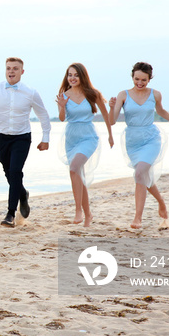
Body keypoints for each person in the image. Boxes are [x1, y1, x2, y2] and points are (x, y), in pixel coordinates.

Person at [109, 62, 169, 229]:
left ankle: (137, 218)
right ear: (132, 77)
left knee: (139, 173)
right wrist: (111, 107)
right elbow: (112, 120)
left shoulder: (155, 95)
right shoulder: (123, 95)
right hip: (132, 140)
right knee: (143, 175)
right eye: (137, 79)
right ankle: (161, 203)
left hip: (151, 139)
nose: (139, 83)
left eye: (143, 80)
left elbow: (160, 111)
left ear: (149, 79)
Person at [0, 57, 51, 227]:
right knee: (9, 173)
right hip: (2, 138)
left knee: (15, 171)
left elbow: (43, 115)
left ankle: (10, 214)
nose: (11, 71)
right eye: (8, 68)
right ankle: (23, 194)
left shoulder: (31, 92)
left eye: (15, 68)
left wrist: (45, 138)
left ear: (22, 72)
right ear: (5, 70)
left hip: (22, 137)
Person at [55, 63, 114, 227]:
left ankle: (78, 210)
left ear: (82, 76)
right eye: (69, 75)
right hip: (71, 138)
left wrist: (110, 135)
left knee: (74, 169)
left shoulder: (92, 94)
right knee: (78, 174)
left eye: (76, 75)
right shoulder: (64, 95)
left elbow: (105, 114)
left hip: (88, 137)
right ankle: (88, 215)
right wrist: (61, 106)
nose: (72, 78)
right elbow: (61, 118)